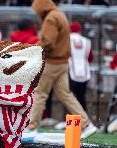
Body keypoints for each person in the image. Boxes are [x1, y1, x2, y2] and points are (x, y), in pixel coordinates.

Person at [29, 0, 97, 139]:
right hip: (63, 63)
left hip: (52, 62)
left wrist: (34, 49)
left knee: (40, 94)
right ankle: (86, 123)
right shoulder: (60, 14)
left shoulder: (50, 18)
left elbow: (47, 42)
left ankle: (31, 127)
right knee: (66, 95)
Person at [69, 22, 93, 110]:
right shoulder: (86, 41)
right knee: (81, 96)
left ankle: (71, 122)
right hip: (84, 71)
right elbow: (90, 57)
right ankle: (83, 120)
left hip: (70, 70)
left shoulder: (67, 39)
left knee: (70, 98)